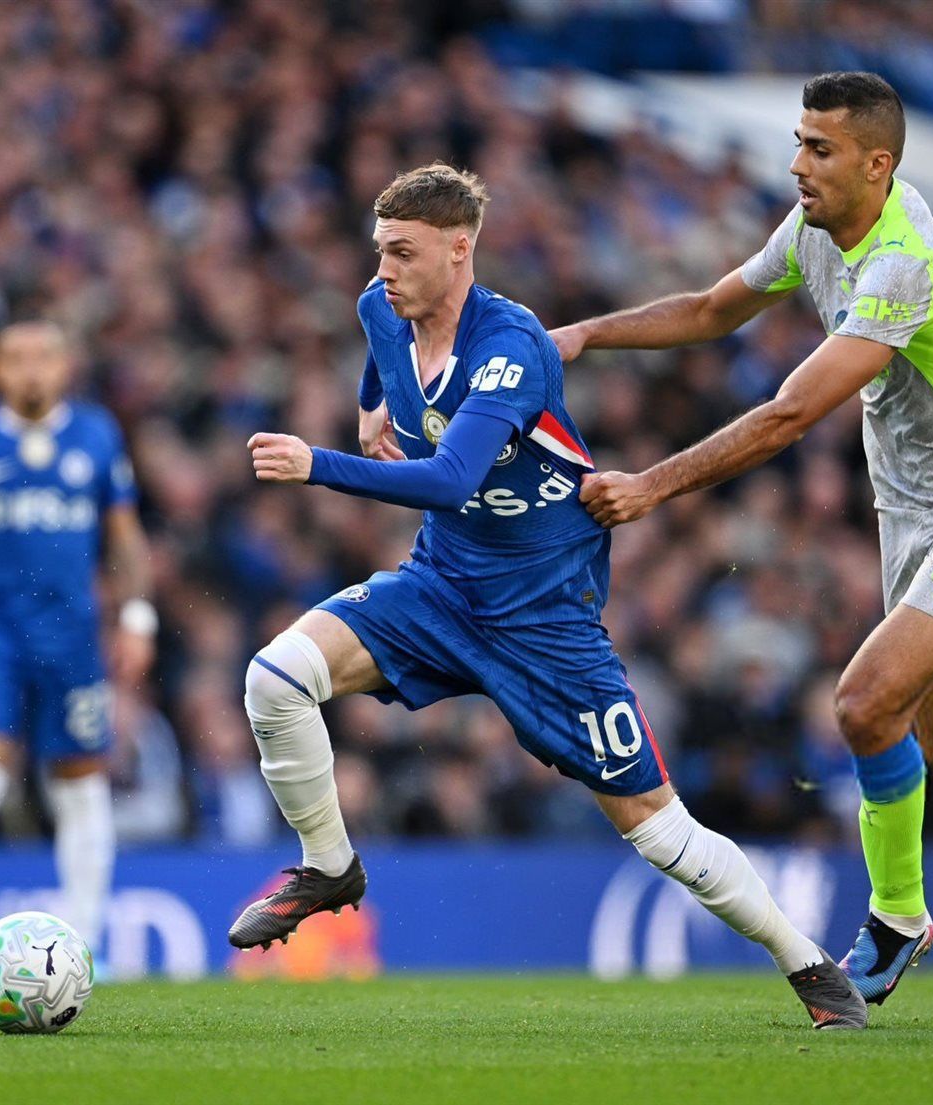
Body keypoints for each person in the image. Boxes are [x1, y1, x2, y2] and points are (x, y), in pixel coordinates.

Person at [229, 163, 868, 1029]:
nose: (384, 270)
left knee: (656, 828)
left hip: (544, 619)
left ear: (460, 250)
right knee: (274, 678)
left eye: (404, 253)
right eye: (380, 250)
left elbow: (453, 478)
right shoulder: (381, 308)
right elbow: (381, 364)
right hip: (441, 586)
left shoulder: (511, 347)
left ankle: (807, 963)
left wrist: (317, 464)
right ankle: (329, 867)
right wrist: (371, 408)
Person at [550, 72, 933, 1006]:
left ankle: (898, 915)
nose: (798, 165)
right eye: (799, 143)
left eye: (820, 148)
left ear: (876, 164)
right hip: (909, 509)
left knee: (863, 703)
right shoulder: (815, 227)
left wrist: (652, 485)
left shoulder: (903, 264)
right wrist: (581, 335)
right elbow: (711, 309)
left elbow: (790, 413)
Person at [0, 320, 155, 974]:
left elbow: (126, 536)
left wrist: (137, 617)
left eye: (44, 356)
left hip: (75, 637)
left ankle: (87, 942)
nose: (30, 369)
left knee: (79, 783)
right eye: (15, 357)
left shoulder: (97, 435)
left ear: (65, 366)